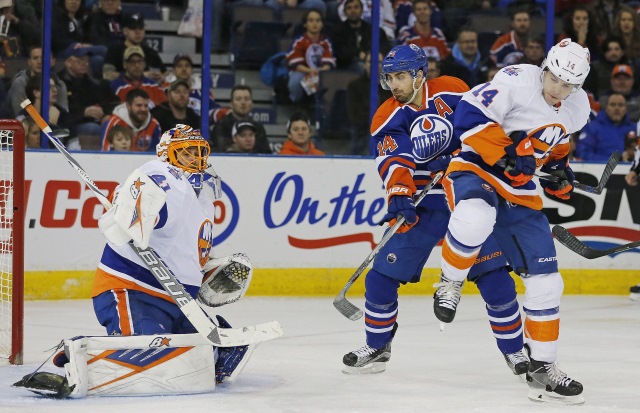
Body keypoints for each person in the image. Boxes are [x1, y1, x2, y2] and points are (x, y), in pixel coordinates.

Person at [342, 44, 529, 378]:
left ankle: (516, 352)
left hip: (466, 199)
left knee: (496, 280)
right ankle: (377, 345)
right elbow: (394, 159)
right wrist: (399, 193)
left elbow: (480, 124)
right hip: (424, 206)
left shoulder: (452, 90)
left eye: (400, 76)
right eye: (390, 78)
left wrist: (473, 154)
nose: (394, 84)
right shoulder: (388, 114)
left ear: (419, 75)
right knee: (381, 278)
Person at [433, 39, 591, 404]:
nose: (557, 89)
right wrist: (506, 152)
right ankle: (450, 282)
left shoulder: (577, 108)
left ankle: (543, 367)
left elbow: (554, 146)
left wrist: (559, 174)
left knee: (549, 281)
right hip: (477, 168)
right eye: (554, 79)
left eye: (567, 86)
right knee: (475, 217)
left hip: (520, 190)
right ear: (546, 67)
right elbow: (468, 116)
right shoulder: (516, 79)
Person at [88, 124, 255, 392]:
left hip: (180, 301)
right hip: (133, 291)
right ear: (167, 154)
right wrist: (132, 207)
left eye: (200, 152)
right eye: (187, 152)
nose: (197, 159)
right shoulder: (162, 173)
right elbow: (149, 186)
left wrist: (207, 271)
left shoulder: (205, 197)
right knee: (149, 355)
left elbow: (183, 250)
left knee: (214, 358)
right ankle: (77, 355)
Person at [57, 42, 119, 147]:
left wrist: (107, 114)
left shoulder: (92, 83)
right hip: (69, 126)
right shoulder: (58, 83)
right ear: (69, 62)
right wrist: (83, 113)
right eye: (81, 61)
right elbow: (60, 111)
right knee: (92, 128)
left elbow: (111, 101)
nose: (86, 64)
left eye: (87, 61)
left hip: (95, 122)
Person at [285, 9, 335, 105]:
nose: (314, 24)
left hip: (320, 72)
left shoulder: (326, 42)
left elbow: (329, 64)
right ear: (305, 24)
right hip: (302, 72)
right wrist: (311, 71)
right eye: (311, 21)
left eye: (317, 21)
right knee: (295, 82)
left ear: (322, 24)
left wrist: (318, 72)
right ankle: (297, 104)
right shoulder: (299, 41)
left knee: (328, 80)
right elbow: (296, 64)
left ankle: (319, 108)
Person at [346, 51, 392, 155]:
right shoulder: (355, 86)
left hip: (389, 133)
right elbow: (354, 114)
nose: (375, 65)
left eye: (379, 62)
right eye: (370, 61)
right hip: (363, 132)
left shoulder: (392, 87)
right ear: (364, 65)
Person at [103, 13, 165, 84]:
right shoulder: (114, 50)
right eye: (133, 28)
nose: (138, 32)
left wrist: (162, 77)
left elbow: (165, 73)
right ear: (125, 31)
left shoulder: (151, 52)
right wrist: (141, 75)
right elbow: (106, 75)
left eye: (141, 28)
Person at [7, 46, 69, 117]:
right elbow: (21, 117)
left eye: (44, 58)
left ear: (53, 62)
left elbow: (64, 115)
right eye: (35, 58)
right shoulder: (20, 83)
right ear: (29, 62)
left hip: (53, 124)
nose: (39, 62)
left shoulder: (59, 84)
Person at [329, 0, 391, 71]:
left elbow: (385, 46)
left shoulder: (373, 30)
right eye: (349, 8)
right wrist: (357, 53)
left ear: (362, 10)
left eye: (356, 7)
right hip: (347, 66)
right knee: (362, 66)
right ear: (345, 12)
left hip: (372, 61)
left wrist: (368, 55)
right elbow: (339, 53)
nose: (353, 11)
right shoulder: (337, 30)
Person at [210, 85, 270, 154]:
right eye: (238, 99)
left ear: (252, 103)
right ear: (231, 104)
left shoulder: (258, 127)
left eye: (246, 99)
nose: (243, 103)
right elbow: (220, 151)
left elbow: (266, 153)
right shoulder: (221, 125)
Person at [575, 93, 635, 161]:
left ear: (626, 109)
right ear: (606, 108)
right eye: (612, 104)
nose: (617, 108)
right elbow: (583, 153)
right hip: (598, 171)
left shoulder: (634, 128)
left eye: (620, 105)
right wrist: (615, 162)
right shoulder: (592, 128)